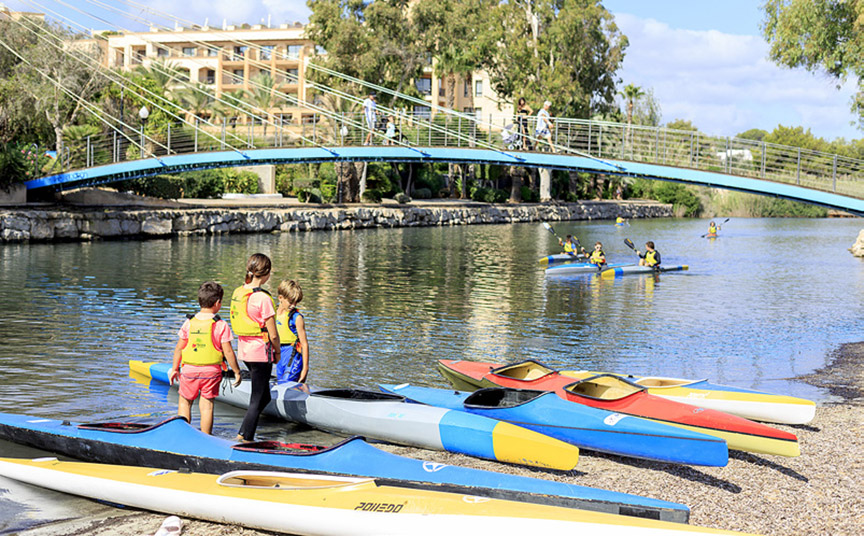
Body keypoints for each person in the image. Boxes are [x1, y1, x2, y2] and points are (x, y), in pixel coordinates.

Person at [168, 281, 241, 435]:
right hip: (211, 372)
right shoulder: (220, 324)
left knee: (184, 402)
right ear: (217, 303)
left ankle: (183, 434)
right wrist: (237, 371)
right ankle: (206, 437)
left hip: (189, 370)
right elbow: (228, 352)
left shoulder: (189, 322)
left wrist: (175, 368)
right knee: (207, 406)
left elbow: (179, 348)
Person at [230, 253, 280, 442]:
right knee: (257, 398)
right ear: (266, 274)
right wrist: (277, 352)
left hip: (244, 351)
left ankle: (244, 431)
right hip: (261, 352)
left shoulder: (239, 292)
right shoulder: (263, 299)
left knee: (264, 395)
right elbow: (273, 334)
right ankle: (245, 437)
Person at [274, 280, 309, 384]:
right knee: (280, 383)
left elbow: (304, 344)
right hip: (280, 355)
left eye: (296, 302)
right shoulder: (272, 313)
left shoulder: (296, 318)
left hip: (293, 356)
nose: (293, 305)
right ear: (280, 298)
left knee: (286, 384)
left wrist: (305, 369)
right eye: (291, 301)